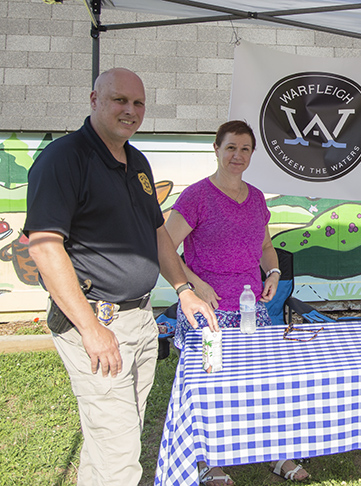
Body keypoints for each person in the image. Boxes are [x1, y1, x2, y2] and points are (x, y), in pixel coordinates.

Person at [23, 68, 217, 486]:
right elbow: (43, 246)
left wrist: (183, 289)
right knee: (120, 455)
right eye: (119, 100)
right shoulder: (63, 159)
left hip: (140, 320)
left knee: (110, 443)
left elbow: (158, 232)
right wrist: (91, 328)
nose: (130, 110)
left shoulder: (138, 161)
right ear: (94, 100)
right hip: (97, 323)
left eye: (138, 103)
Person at [165, 120, 309, 484]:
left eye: (244, 149)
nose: (237, 155)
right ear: (216, 149)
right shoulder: (196, 196)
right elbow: (164, 245)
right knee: (211, 384)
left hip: (251, 310)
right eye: (231, 147)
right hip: (207, 312)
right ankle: (211, 462)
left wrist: (273, 273)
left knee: (265, 381)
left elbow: (264, 246)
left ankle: (278, 453)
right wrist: (194, 285)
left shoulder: (257, 198)